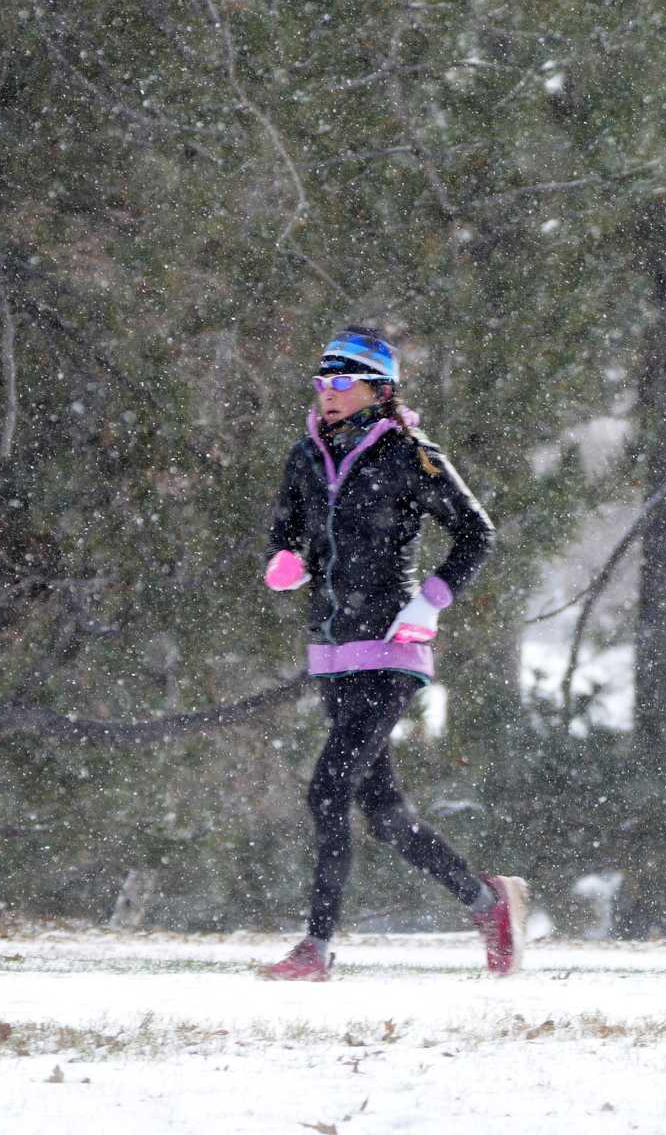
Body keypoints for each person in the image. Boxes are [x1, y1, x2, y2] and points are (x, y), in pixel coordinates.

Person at [257, 325, 528, 982]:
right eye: (322, 382)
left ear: (380, 390)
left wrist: (429, 601)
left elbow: (476, 532)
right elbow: (287, 525)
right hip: (333, 654)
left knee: (327, 791)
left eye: (343, 382)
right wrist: (287, 558)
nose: (329, 394)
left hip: (390, 654)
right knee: (384, 816)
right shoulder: (305, 455)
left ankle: (316, 950)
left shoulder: (408, 453)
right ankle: (490, 903)